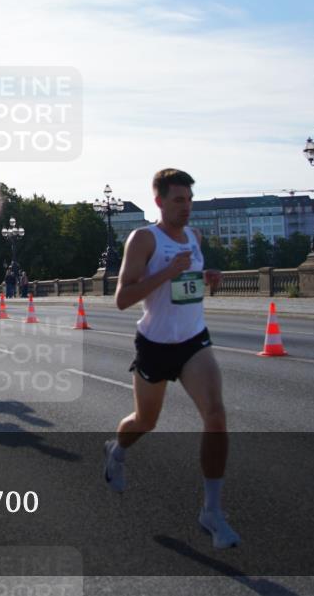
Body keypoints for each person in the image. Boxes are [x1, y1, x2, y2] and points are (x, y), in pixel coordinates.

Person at [102, 168, 237, 550]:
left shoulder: (195, 237)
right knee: (146, 421)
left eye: (190, 199)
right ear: (159, 201)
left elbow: (187, 282)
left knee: (216, 414)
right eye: (179, 200)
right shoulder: (144, 238)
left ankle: (212, 510)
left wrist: (205, 274)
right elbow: (123, 298)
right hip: (155, 344)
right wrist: (167, 272)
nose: (186, 207)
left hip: (194, 341)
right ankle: (117, 449)